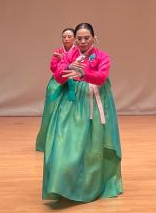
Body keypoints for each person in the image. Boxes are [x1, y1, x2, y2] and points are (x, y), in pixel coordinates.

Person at [43, 23, 123, 202]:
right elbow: (58, 77)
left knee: (92, 147)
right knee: (63, 143)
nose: (83, 41)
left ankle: (89, 185)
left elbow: (101, 77)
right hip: (71, 103)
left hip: (93, 101)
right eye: (79, 38)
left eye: (87, 38)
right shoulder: (70, 55)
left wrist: (82, 74)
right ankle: (62, 185)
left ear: (94, 38)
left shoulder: (102, 56)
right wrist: (67, 67)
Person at [36, 28, 76, 152]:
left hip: (74, 80)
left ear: (74, 38)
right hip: (58, 80)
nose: (66, 39)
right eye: (64, 36)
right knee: (52, 107)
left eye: (69, 36)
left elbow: (79, 67)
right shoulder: (58, 51)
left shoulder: (78, 51)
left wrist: (64, 61)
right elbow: (53, 68)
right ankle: (49, 141)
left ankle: (71, 142)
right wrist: (62, 63)